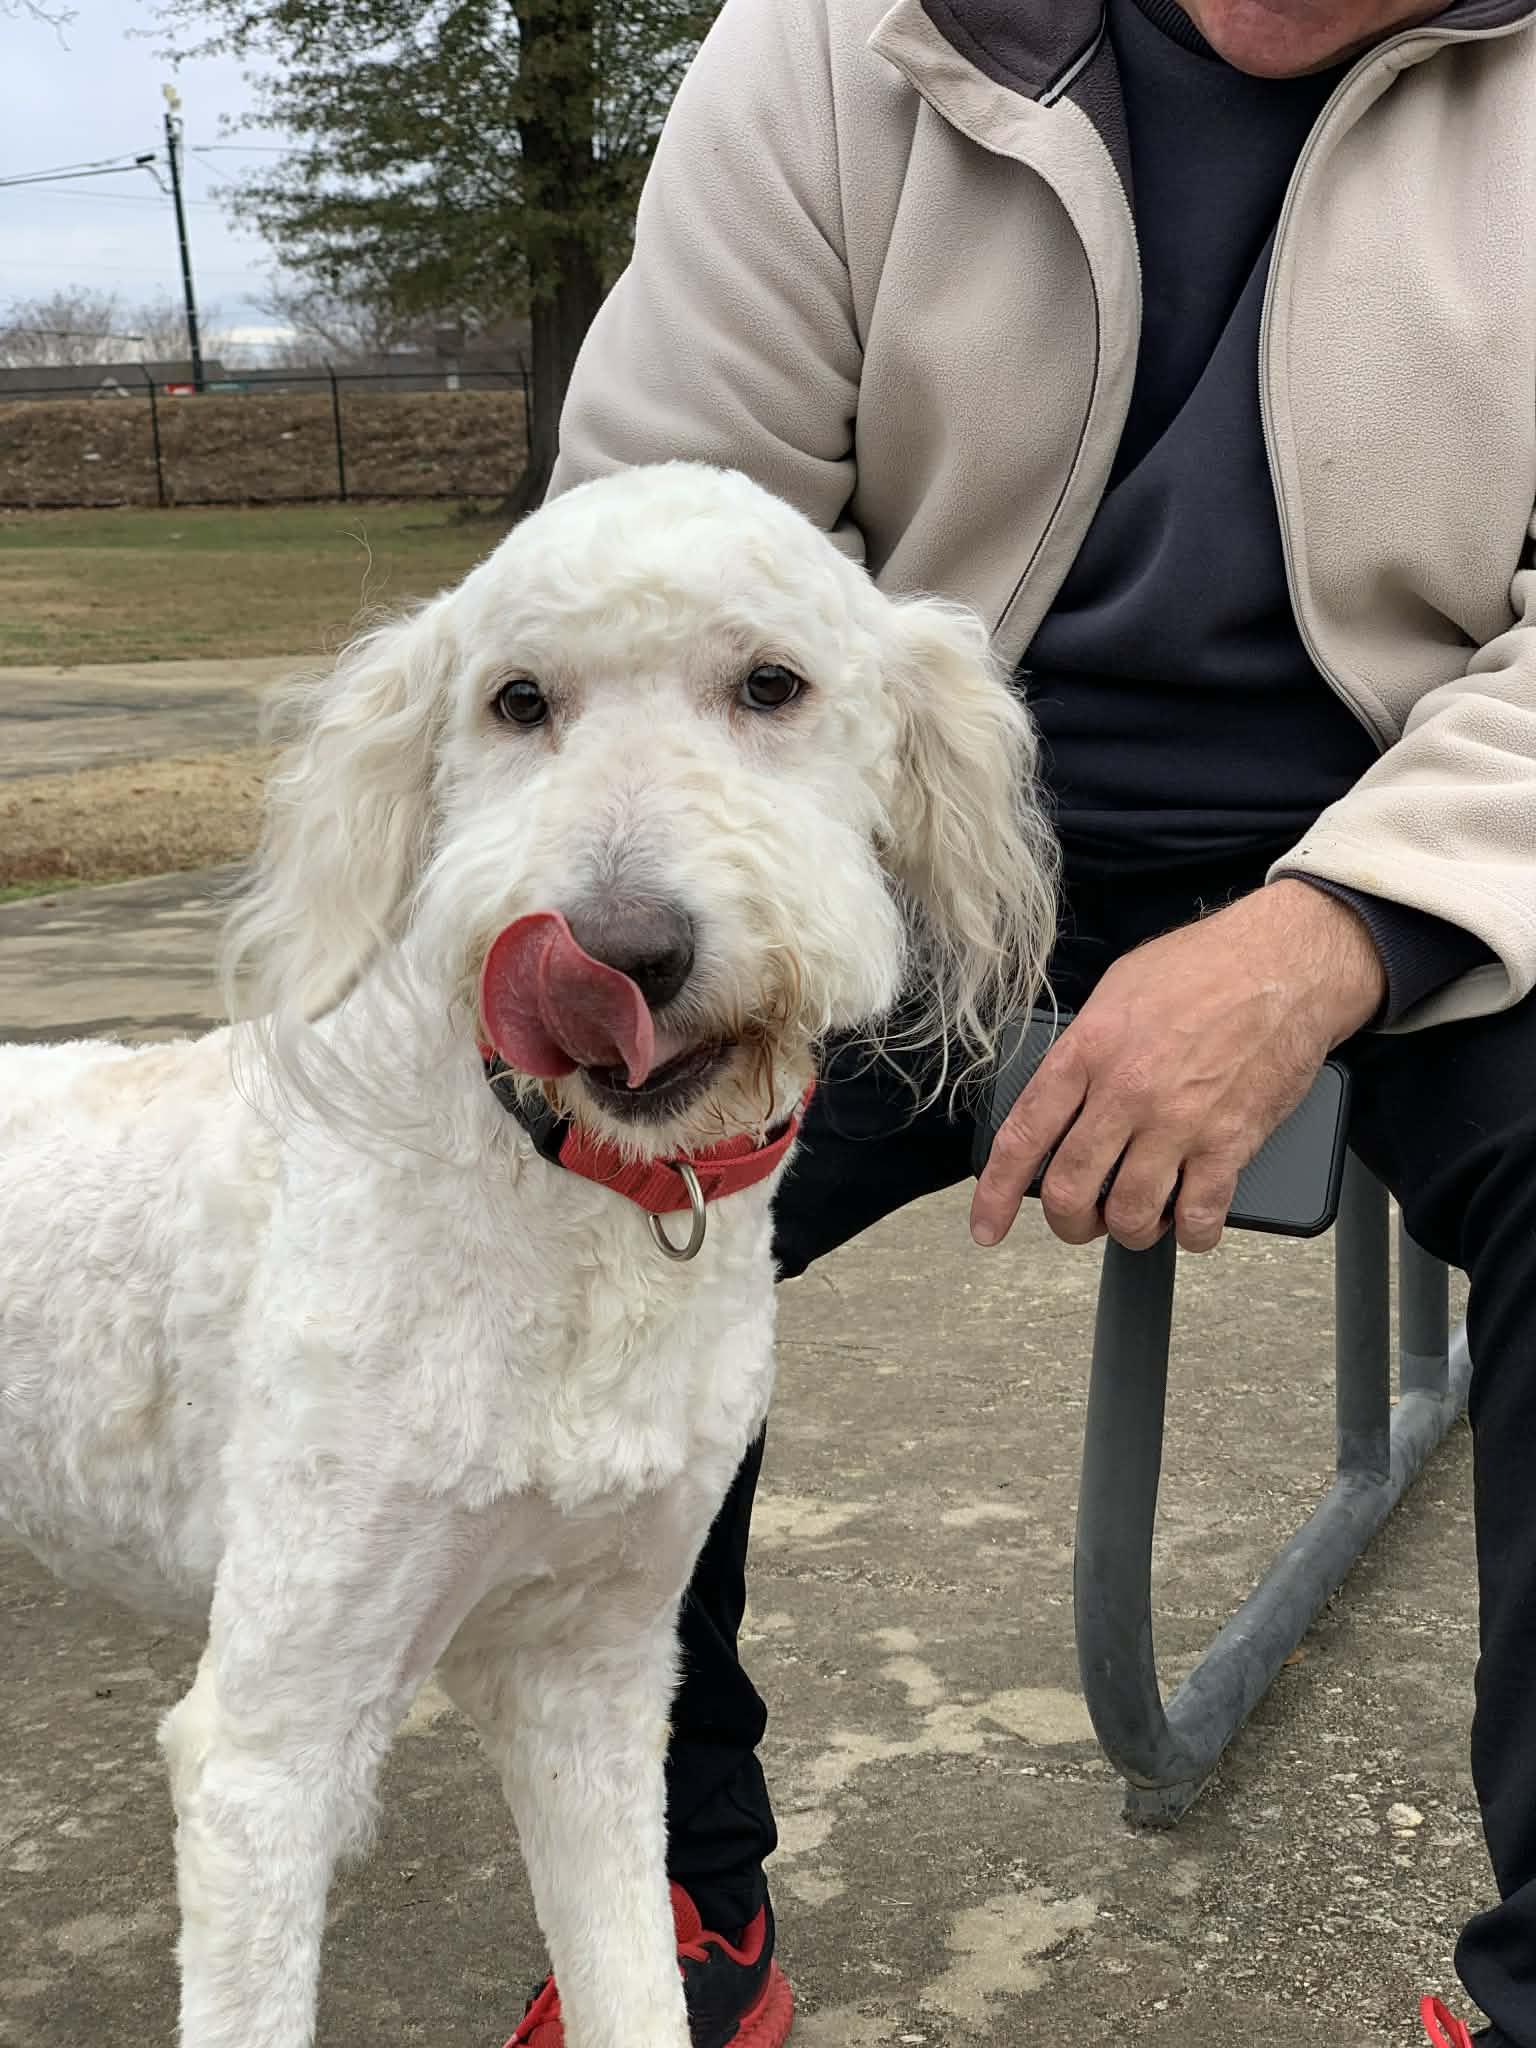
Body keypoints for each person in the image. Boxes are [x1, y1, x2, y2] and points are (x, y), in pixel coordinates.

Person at [507, 3, 1536, 2044]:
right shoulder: (832, 44)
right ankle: (669, 1906)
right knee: (551, 1184)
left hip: (1421, 820)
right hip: (897, 842)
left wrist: (1327, 932)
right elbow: (649, 556)